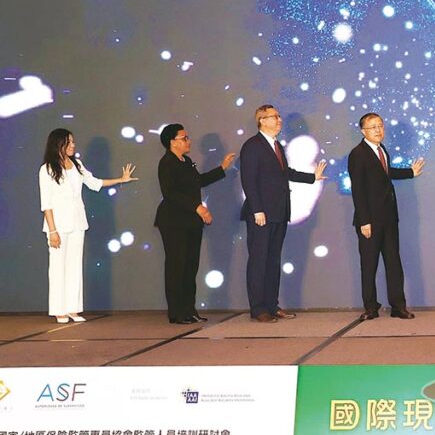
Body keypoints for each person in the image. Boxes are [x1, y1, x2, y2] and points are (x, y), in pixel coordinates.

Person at [39, 128, 137, 324]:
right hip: (58, 225)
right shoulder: (47, 169)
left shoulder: (77, 165)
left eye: (73, 142)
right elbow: (46, 203)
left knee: (75, 266)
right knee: (58, 267)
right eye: (69, 142)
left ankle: (72, 308)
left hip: (77, 222)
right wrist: (53, 230)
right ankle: (58, 310)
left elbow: (94, 183)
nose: (73, 145)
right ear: (59, 144)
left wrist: (121, 180)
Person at [239, 104, 326, 322]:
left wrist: (312, 177)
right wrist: (257, 209)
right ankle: (258, 308)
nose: (279, 120)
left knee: (273, 261)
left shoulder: (277, 145)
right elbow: (248, 180)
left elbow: (285, 173)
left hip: (278, 211)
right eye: (274, 117)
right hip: (261, 214)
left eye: (279, 116)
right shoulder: (252, 146)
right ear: (262, 120)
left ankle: (272, 304)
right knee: (259, 261)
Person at [154, 124, 236, 324]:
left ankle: (189, 309)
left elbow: (198, 181)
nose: (188, 141)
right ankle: (177, 312)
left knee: (191, 266)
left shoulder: (187, 161)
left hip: (191, 222)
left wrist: (222, 168)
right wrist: (197, 207)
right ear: (172, 142)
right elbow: (170, 193)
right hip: (173, 222)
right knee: (177, 266)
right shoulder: (166, 163)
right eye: (184, 138)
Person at [348, 113, 424, 322]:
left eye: (380, 126)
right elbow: (358, 190)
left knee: (393, 263)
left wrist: (410, 172)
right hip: (370, 222)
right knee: (369, 265)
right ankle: (370, 307)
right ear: (363, 131)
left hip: (389, 219)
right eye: (373, 127)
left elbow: (386, 173)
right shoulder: (358, 154)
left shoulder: (382, 150)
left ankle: (398, 306)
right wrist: (364, 220)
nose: (378, 130)